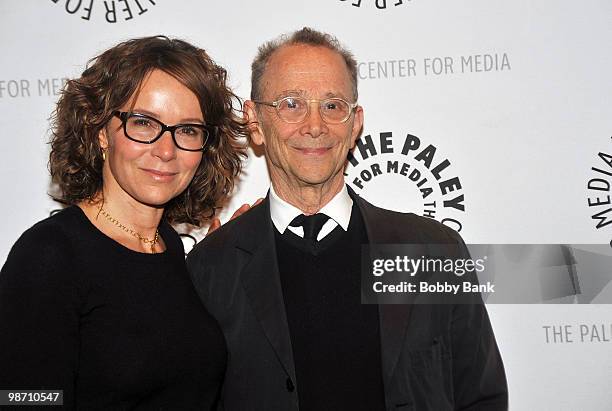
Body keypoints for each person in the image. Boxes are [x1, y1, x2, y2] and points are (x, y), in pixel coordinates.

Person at [187, 27, 508, 411]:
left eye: (332, 105)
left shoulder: (430, 250)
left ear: (355, 123)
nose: (315, 125)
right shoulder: (211, 268)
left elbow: (481, 397)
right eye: (291, 103)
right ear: (255, 121)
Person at [0, 36, 246, 409]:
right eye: (144, 123)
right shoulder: (50, 255)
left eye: (188, 130)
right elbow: (24, 400)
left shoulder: (170, 247)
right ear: (101, 131)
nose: (166, 150)